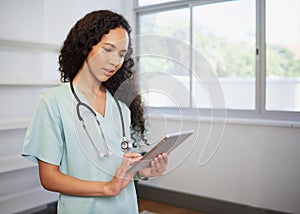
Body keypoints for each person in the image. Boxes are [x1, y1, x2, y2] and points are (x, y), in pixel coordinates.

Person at [22, 10, 168, 213]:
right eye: (108, 49)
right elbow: (49, 178)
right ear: (85, 46)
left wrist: (145, 170)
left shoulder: (121, 105)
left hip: (126, 208)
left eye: (121, 54)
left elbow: (124, 163)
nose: (115, 61)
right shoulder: (52, 102)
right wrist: (107, 188)